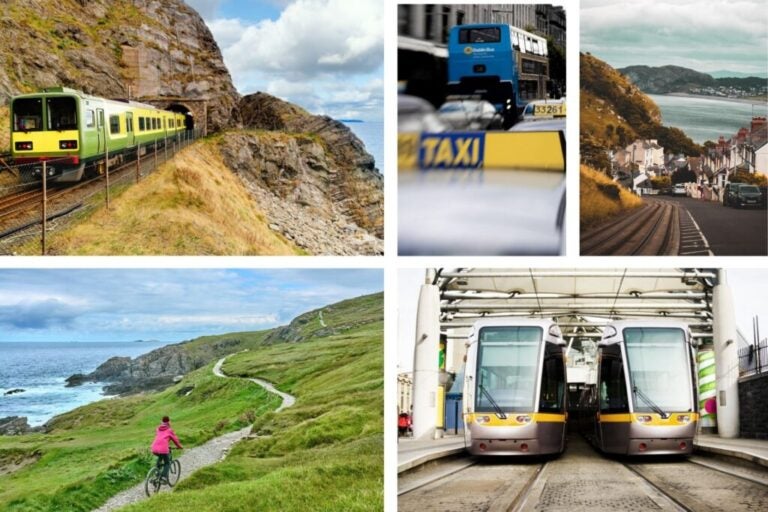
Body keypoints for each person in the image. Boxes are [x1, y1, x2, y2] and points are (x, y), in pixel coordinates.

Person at [151, 416, 183, 482]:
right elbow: (175, 440)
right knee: (167, 463)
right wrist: (179, 446)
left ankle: (156, 474)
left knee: (160, 458)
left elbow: (160, 438)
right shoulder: (169, 430)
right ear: (169, 422)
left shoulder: (158, 429)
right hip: (163, 449)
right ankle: (163, 477)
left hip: (154, 448)